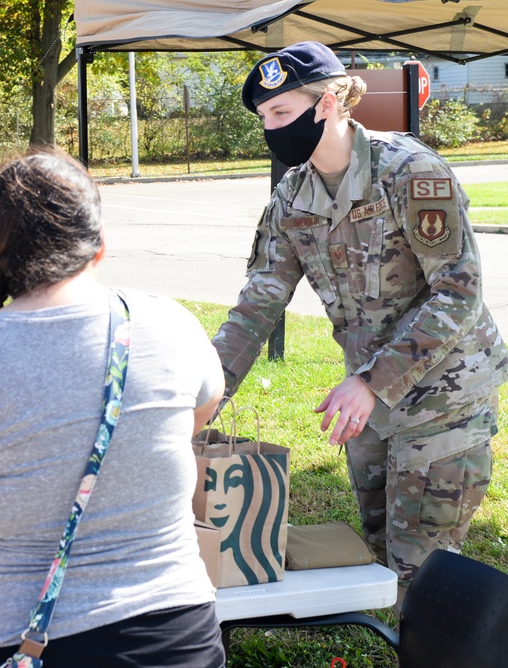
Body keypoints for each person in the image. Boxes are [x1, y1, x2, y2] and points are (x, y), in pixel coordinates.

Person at [0, 150, 226, 667]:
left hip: (16, 640)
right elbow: (201, 409)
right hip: (175, 634)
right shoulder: (172, 325)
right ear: (99, 243)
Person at [212, 41, 508, 611]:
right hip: (370, 405)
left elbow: (460, 291)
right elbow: (257, 307)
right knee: (380, 559)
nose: (269, 129)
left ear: (328, 102)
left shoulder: (410, 172)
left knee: (421, 573)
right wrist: (203, 398)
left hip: (442, 399)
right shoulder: (293, 196)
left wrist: (372, 383)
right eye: (263, 118)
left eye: (279, 113)